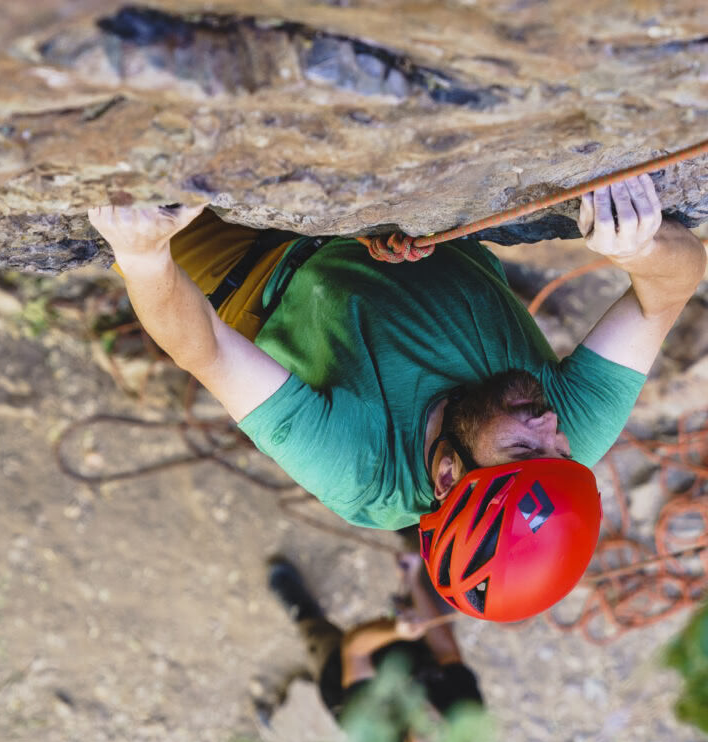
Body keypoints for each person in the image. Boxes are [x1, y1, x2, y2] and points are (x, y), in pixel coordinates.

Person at [87, 175, 706, 616]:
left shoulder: (363, 472)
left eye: (522, 447)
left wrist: (143, 259)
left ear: (445, 473)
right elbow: (671, 289)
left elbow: (206, 351)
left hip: (247, 265)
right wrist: (642, 249)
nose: (548, 423)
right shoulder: (569, 442)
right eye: (559, 448)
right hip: (418, 206)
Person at [262, 553, 483, 742]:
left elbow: (354, 649)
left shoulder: (374, 739)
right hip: (409, 654)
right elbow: (447, 653)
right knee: (434, 590)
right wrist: (414, 584)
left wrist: (397, 630)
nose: (433, 731)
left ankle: (302, 610)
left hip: (340, 670)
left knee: (318, 636)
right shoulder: (465, 711)